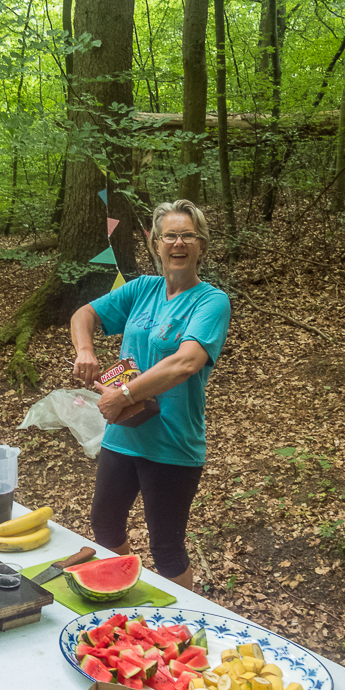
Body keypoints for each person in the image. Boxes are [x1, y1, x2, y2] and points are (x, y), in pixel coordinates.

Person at [70, 199, 231, 590]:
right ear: (157, 244)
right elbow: (83, 315)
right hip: (123, 435)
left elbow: (186, 363)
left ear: (201, 246)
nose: (178, 243)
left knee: (166, 546)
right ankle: (129, 593)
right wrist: (86, 350)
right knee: (105, 526)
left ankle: (182, 625)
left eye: (187, 236)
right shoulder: (142, 288)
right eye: (169, 236)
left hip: (173, 442)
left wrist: (122, 394)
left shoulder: (212, 301)